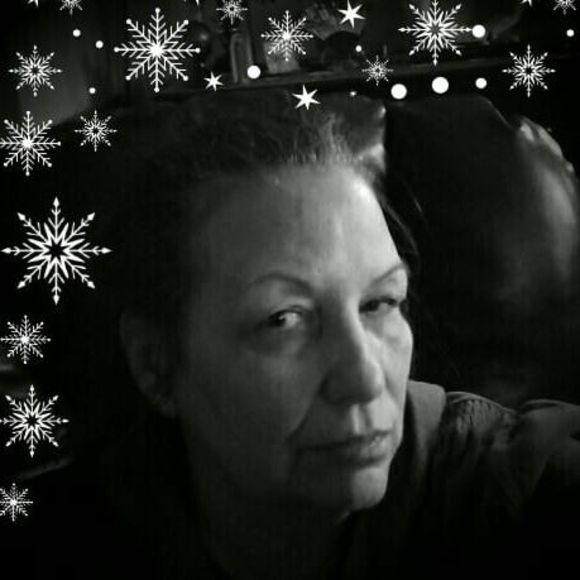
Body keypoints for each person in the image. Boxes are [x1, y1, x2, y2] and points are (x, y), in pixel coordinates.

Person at [3, 90, 580, 579]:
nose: (365, 379)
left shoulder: (504, 489)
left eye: (380, 303)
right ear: (156, 365)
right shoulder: (61, 538)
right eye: (283, 319)